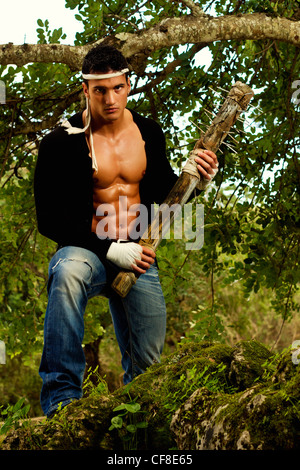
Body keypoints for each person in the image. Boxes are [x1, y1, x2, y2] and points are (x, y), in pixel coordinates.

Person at [34, 44, 218, 418]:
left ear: (128, 85)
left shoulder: (149, 132)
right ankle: (63, 401)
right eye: (100, 90)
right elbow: (50, 220)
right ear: (85, 89)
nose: (110, 98)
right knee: (67, 272)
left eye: (117, 88)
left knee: (150, 369)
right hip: (87, 252)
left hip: (138, 255)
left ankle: (138, 424)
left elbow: (163, 195)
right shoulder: (60, 142)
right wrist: (110, 250)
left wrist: (198, 178)